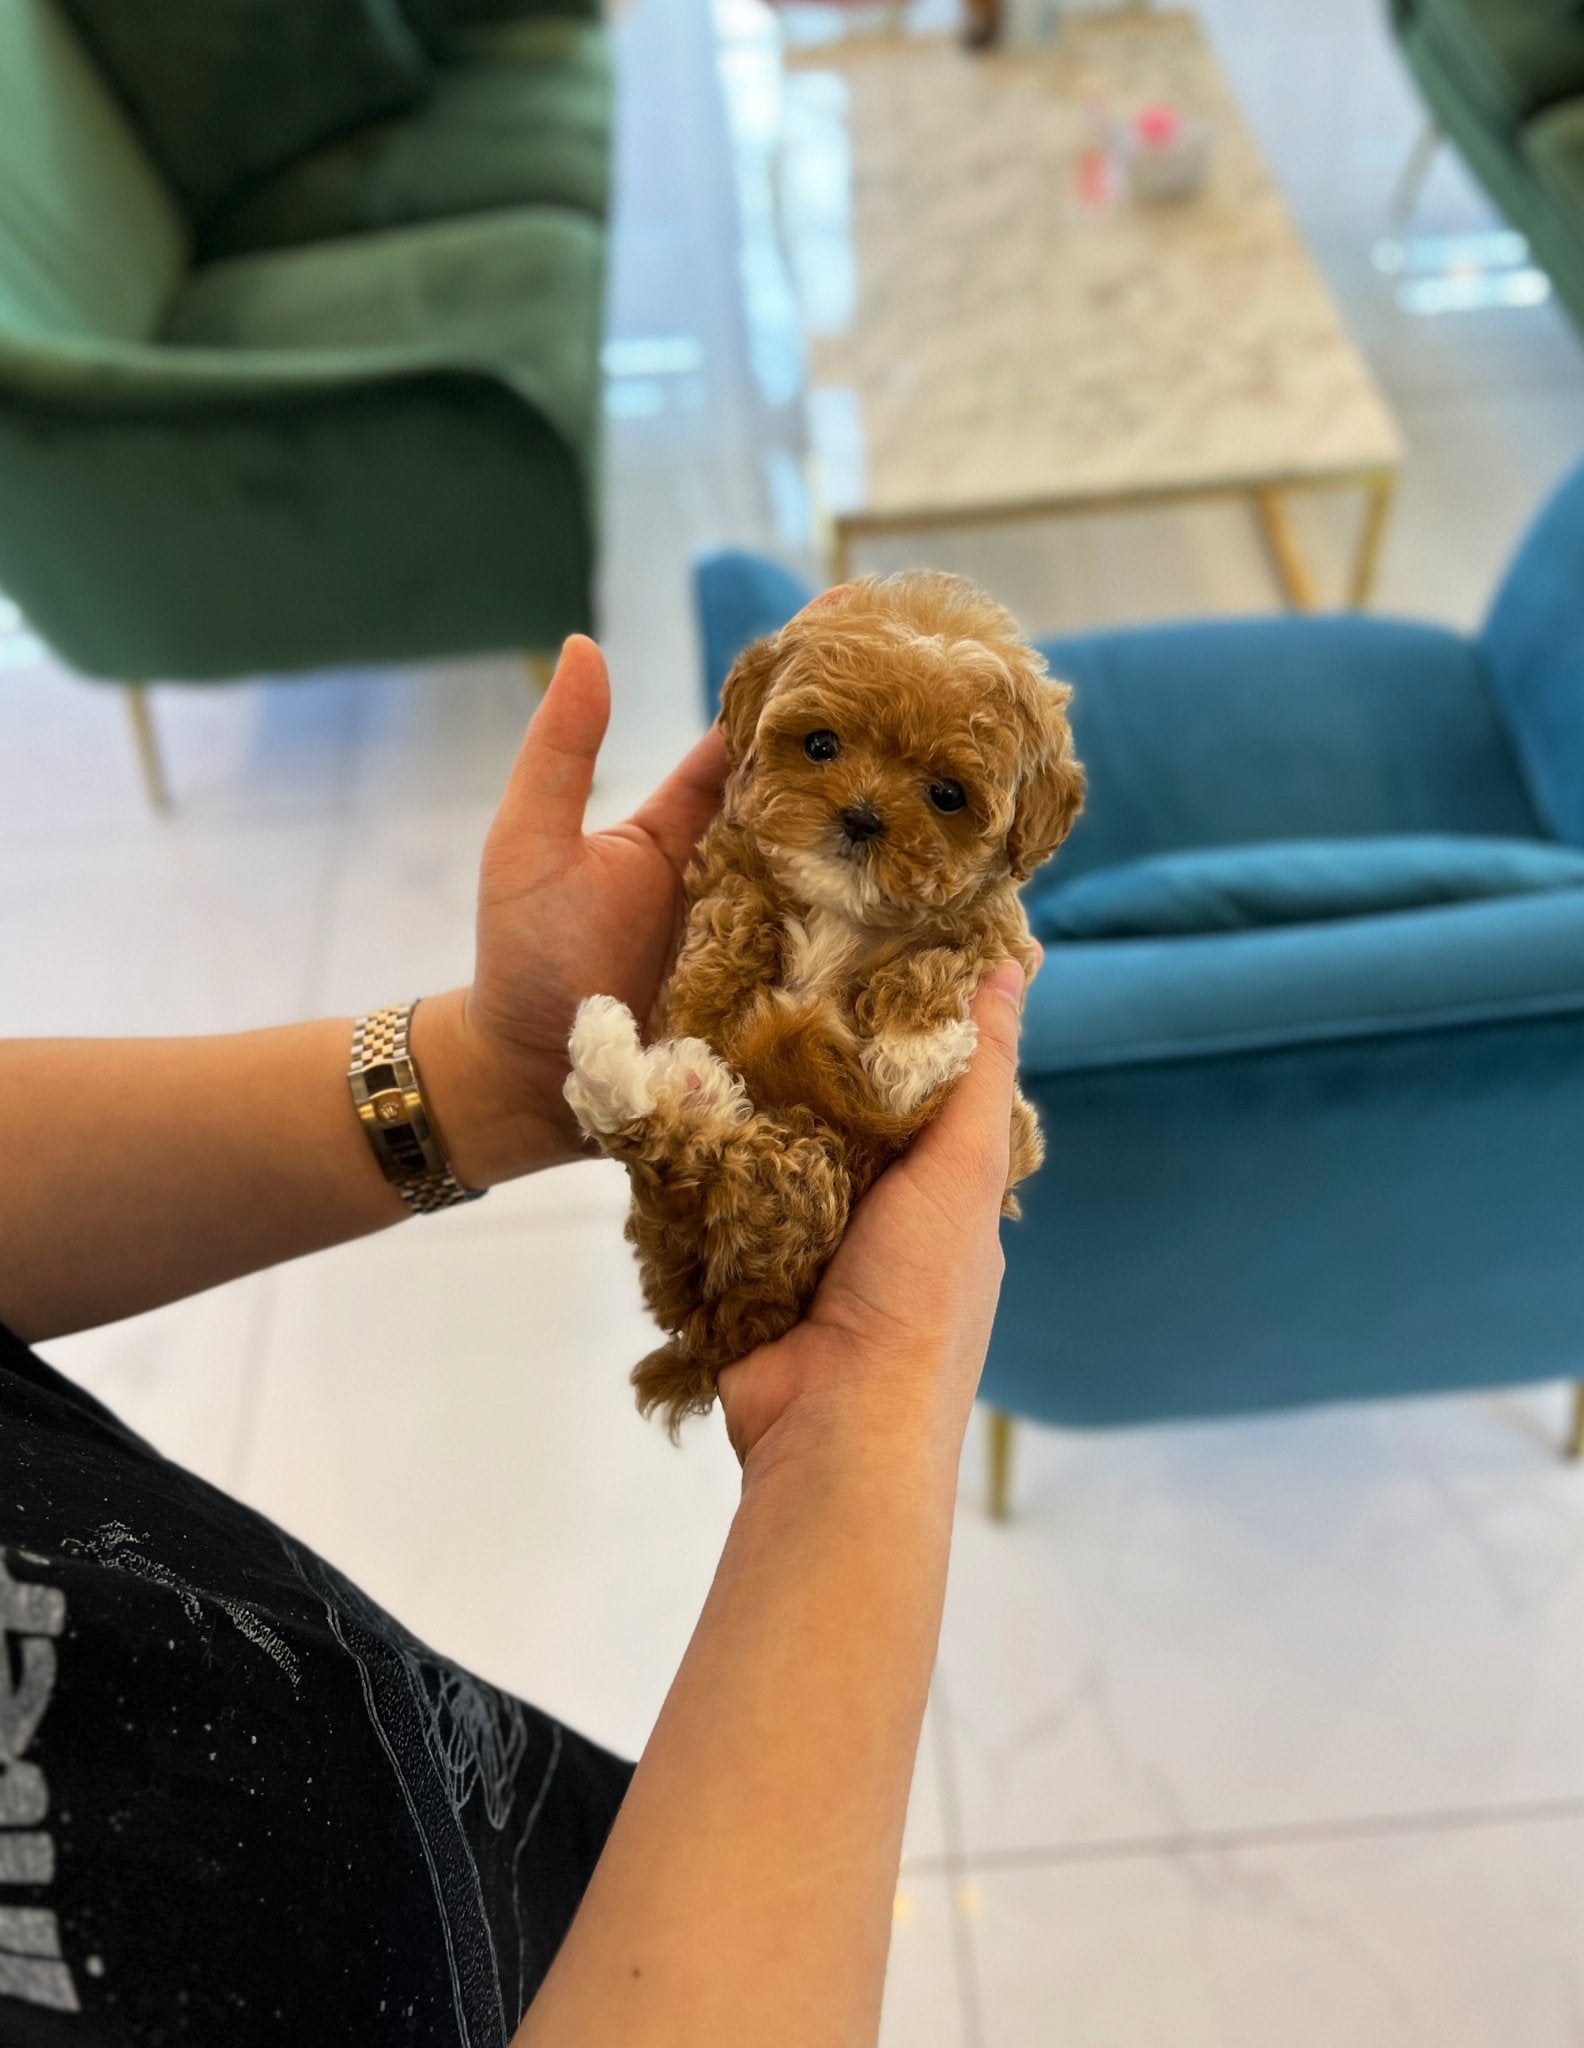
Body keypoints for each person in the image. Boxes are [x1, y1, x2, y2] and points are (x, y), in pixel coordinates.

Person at [0, 634, 1032, 2047]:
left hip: (514, 1832)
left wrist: (492, 1075)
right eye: (822, 748)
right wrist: (860, 1412)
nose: (866, 800)